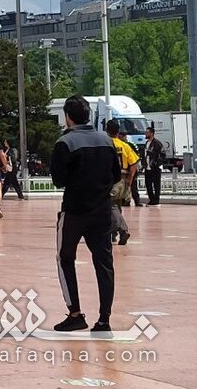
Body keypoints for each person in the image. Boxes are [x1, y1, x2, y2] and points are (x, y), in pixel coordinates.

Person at [51, 96, 121, 333]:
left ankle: (75, 313)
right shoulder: (107, 140)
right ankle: (104, 319)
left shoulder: (64, 143)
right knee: (104, 263)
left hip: (74, 212)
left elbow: (58, 180)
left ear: (67, 116)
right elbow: (116, 175)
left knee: (65, 258)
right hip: (102, 211)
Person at [106, 120, 137, 246]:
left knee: (111, 205)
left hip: (112, 178)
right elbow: (134, 163)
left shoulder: (106, 144)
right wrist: (130, 179)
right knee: (117, 206)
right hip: (124, 177)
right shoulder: (125, 145)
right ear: (118, 131)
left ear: (107, 130)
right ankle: (113, 234)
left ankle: (123, 230)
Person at [143, 125, 164, 206]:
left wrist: (156, 163)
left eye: (147, 132)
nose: (146, 134)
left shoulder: (157, 143)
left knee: (156, 184)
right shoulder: (146, 143)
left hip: (155, 167)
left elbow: (162, 155)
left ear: (151, 133)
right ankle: (151, 199)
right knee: (148, 184)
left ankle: (156, 200)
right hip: (147, 167)